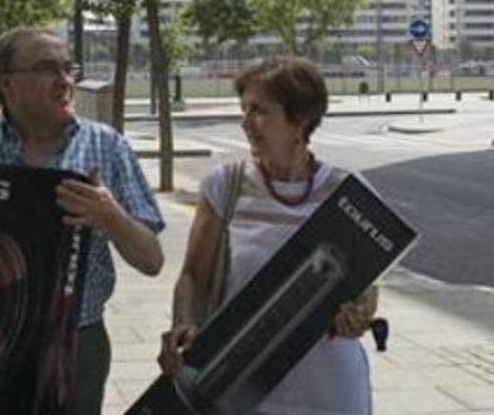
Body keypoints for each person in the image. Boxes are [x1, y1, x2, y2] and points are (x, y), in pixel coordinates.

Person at [0, 26, 165, 415]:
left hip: (78, 343)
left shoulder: (106, 146)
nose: (64, 81)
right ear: (6, 83)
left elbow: (152, 260)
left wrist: (109, 214)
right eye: (46, 69)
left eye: (67, 68)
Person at [158, 56, 379, 415]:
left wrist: (360, 314)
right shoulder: (224, 186)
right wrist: (183, 322)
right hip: (243, 388)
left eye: (259, 111)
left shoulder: (348, 193)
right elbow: (194, 276)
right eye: (243, 109)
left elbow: (367, 287)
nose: (246, 123)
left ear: (300, 119)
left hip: (330, 391)